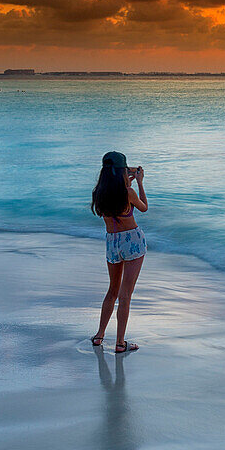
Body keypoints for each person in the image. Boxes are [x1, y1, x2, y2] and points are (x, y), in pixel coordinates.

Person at [90, 151, 148, 352]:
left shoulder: (99, 193)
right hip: (132, 240)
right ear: (122, 170)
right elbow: (144, 208)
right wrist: (139, 182)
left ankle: (99, 335)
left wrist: (127, 177)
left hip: (112, 241)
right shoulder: (128, 192)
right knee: (126, 294)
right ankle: (120, 343)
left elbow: (116, 194)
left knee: (112, 291)